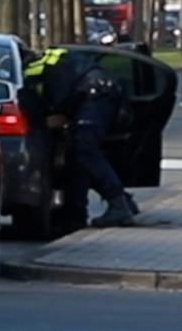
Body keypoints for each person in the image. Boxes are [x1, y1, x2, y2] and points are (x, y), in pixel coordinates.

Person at [24, 47, 138, 228]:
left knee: (85, 149)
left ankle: (118, 204)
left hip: (92, 98)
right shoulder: (52, 58)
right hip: (104, 93)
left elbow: (52, 112)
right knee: (80, 154)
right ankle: (115, 203)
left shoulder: (29, 75)